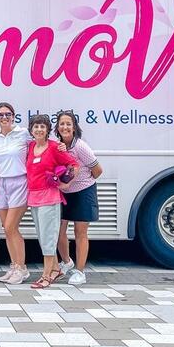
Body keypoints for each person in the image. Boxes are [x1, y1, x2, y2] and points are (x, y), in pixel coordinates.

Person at [25, 114, 79, 289]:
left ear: (48, 129)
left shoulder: (55, 147)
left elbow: (74, 165)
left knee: (48, 238)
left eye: (42, 126)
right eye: (36, 126)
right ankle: (55, 269)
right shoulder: (31, 146)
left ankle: (46, 276)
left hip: (49, 198)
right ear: (31, 130)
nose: (39, 129)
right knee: (42, 237)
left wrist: (66, 183)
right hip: (34, 198)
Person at [55, 110, 103, 286]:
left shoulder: (81, 146)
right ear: (57, 127)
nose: (65, 127)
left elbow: (98, 171)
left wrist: (82, 181)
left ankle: (80, 272)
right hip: (63, 192)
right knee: (58, 230)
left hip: (83, 191)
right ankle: (67, 262)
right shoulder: (58, 145)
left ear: (74, 127)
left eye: (69, 124)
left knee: (80, 232)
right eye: (62, 124)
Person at [0, 102, 31, 284]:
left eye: (8, 114)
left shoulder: (23, 133)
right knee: (6, 230)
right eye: (0, 115)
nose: (4, 117)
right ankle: (14, 266)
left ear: (13, 116)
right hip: (1, 182)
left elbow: (44, 142)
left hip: (19, 181)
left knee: (11, 227)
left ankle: (22, 269)